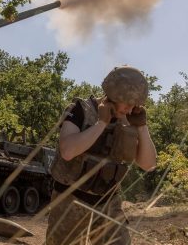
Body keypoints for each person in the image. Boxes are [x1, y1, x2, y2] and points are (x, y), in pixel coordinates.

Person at [46, 66, 157, 245]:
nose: (130, 110)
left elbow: (149, 165)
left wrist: (142, 128)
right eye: (128, 103)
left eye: (135, 105)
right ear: (114, 94)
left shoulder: (129, 120)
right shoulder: (81, 110)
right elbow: (67, 151)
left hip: (109, 203)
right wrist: (101, 123)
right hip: (71, 200)